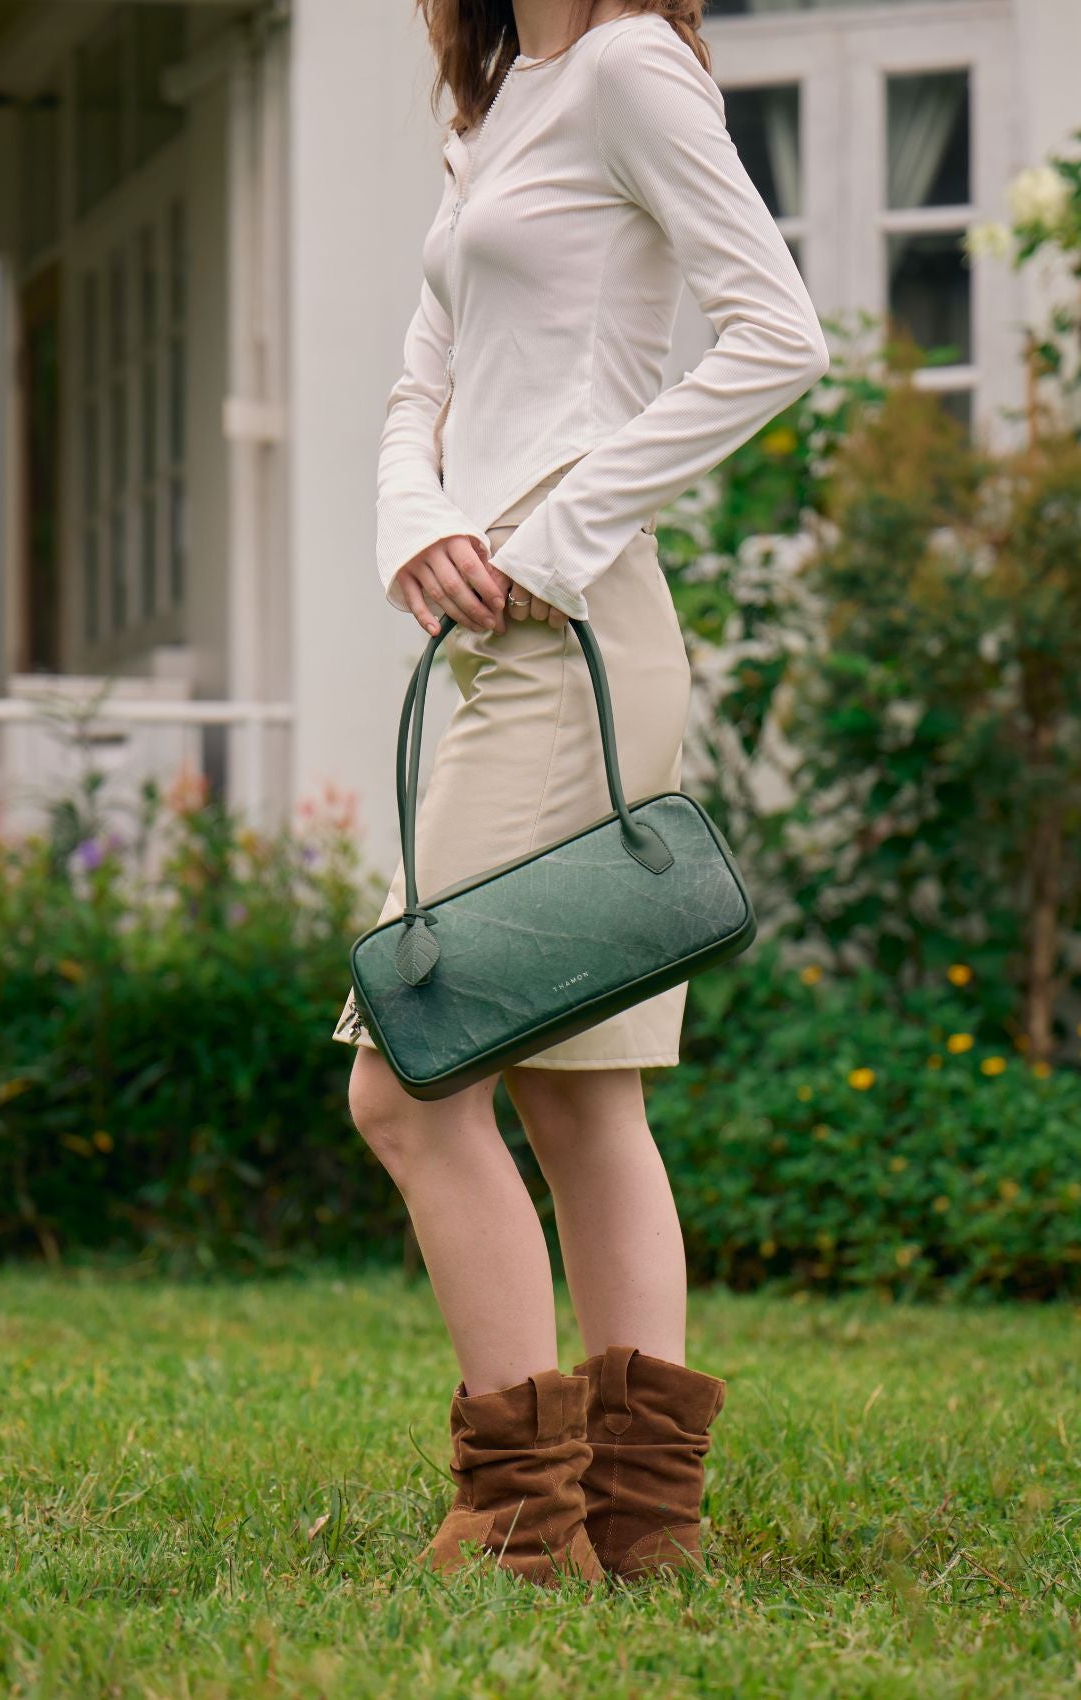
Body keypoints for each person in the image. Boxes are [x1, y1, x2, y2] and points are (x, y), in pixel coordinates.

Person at [332, 0, 829, 1588]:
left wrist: (557, 533)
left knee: (409, 1085)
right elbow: (426, 384)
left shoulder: (627, 68)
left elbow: (777, 331)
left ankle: (519, 1517)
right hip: (500, 625)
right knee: (576, 1089)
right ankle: (638, 1520)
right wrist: (417, 519)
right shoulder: (501, 102)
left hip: (573, 633)